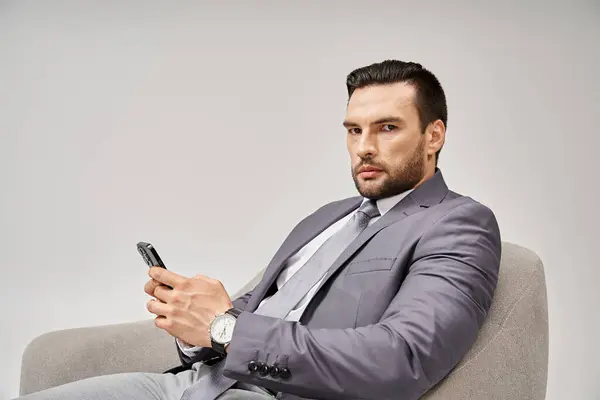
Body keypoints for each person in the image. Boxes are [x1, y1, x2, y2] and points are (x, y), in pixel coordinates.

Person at [16, 60, 501, 400]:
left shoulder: (457, 223)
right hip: (194, 386)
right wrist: (194, 325)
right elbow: (254, 313)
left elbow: (401, 359)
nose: (364, 147)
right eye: (354, 130)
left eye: (387, 128)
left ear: (433, 135)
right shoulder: (328, 218)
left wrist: (225, 327)